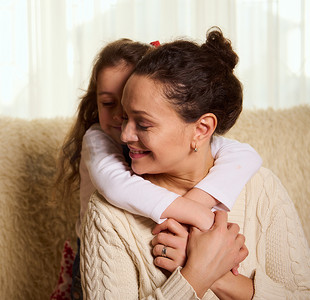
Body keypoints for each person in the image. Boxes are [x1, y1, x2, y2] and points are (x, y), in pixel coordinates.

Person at [80, 27, 310, 299]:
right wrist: (195, 275)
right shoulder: (108, 213)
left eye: (142, 123)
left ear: (201, 130)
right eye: (126, 117)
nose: (125, 134)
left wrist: (217, 276)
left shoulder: (262, 188)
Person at [55, 38, 262, 300]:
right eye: (109, 104)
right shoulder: (97, 141)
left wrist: (200, 205)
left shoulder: (261, 188)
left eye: (136, 113)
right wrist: (200, 218)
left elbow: (245, 154)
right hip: (93, 250)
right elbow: (116, 186)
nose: (121, 120)